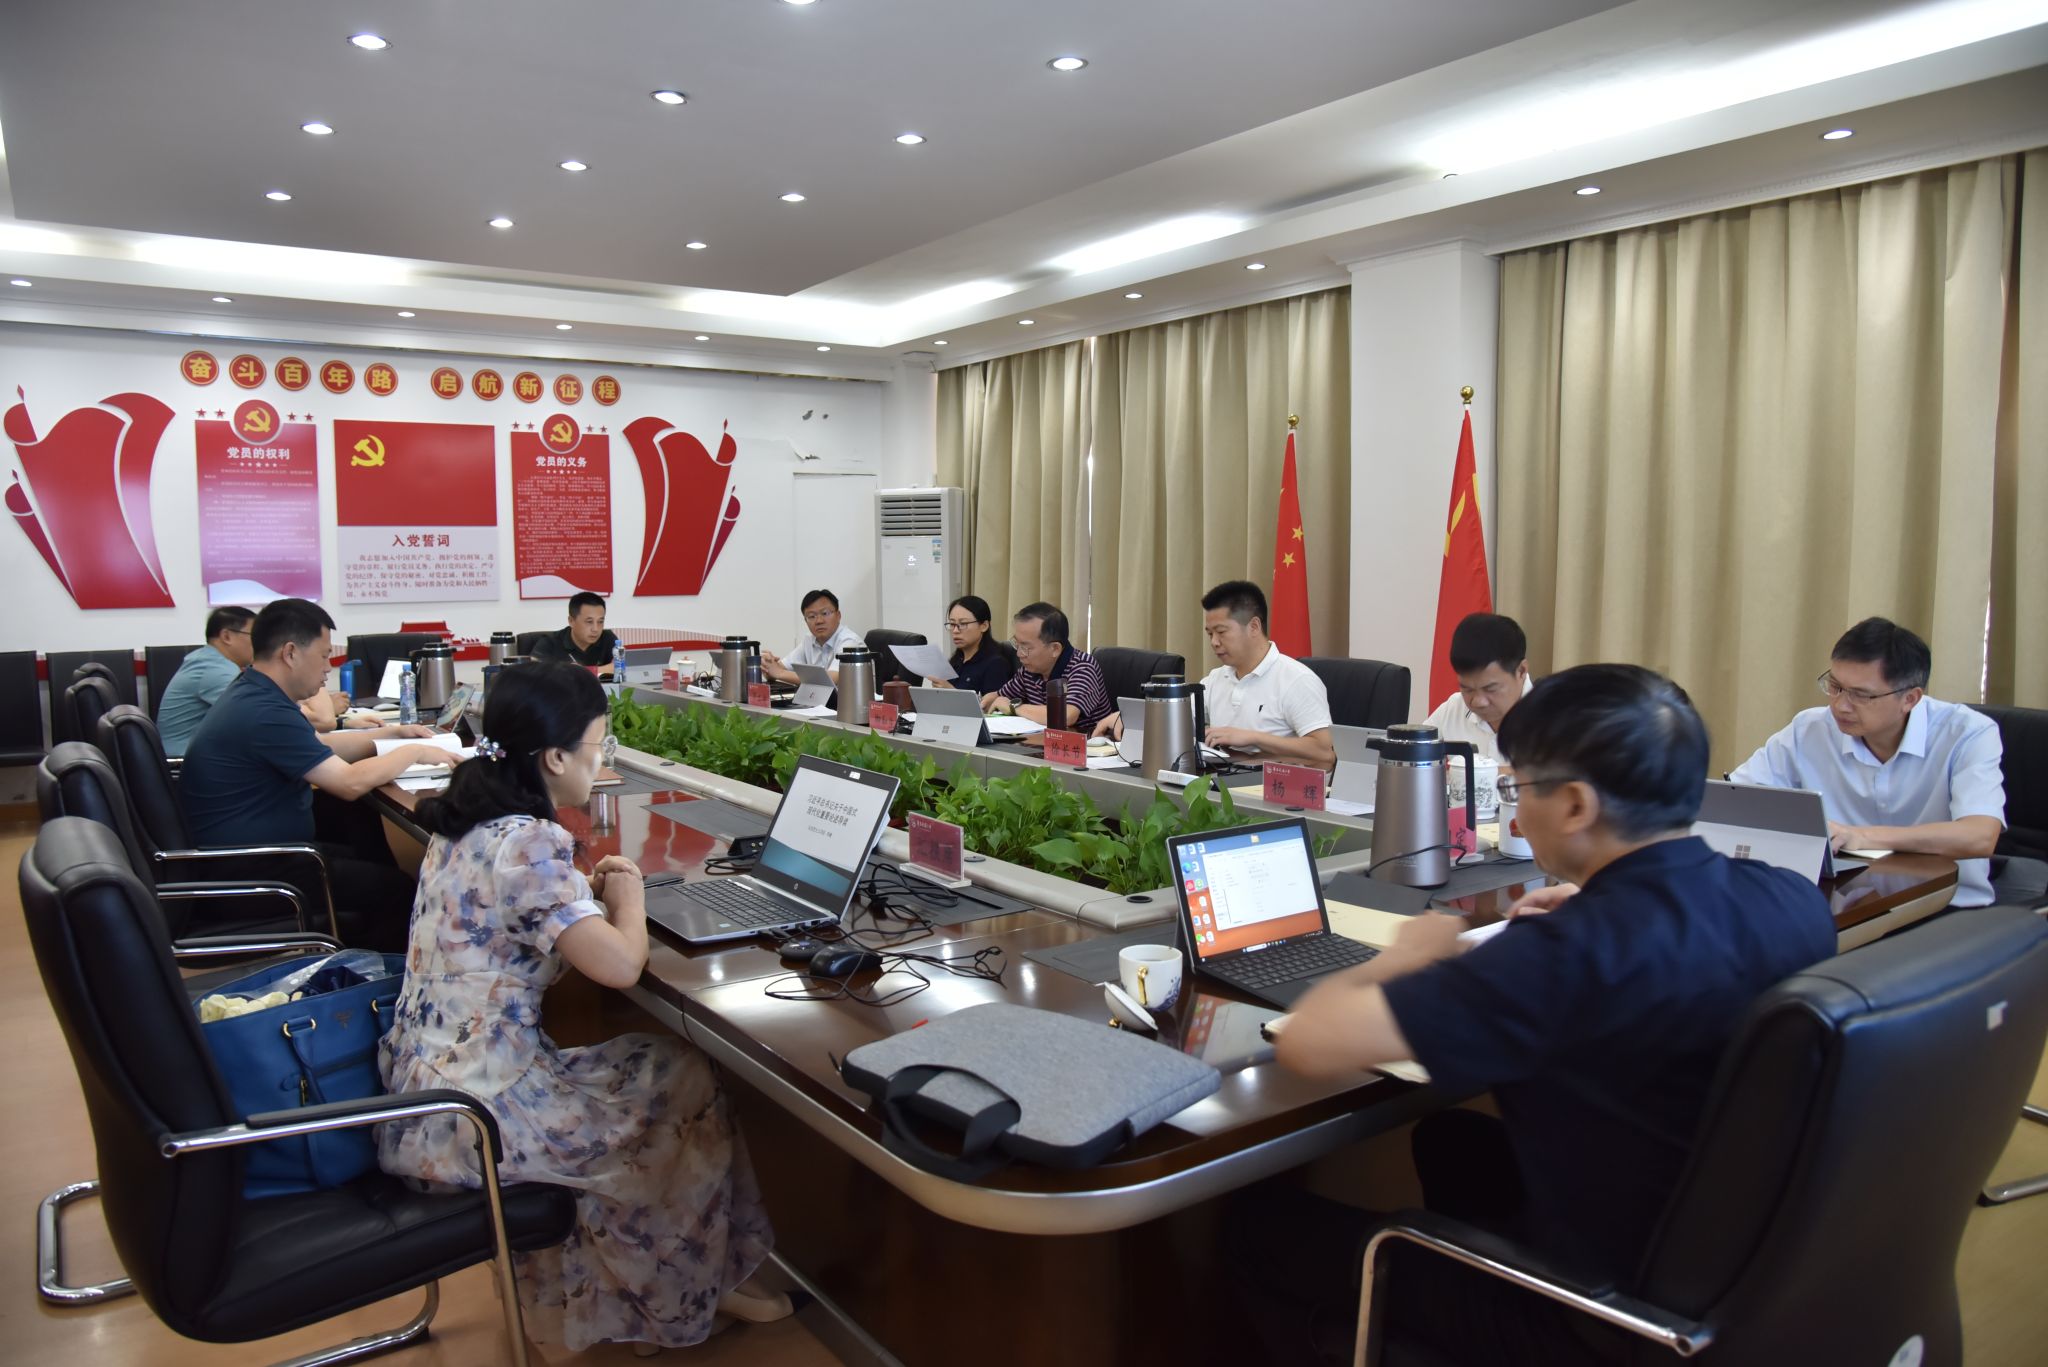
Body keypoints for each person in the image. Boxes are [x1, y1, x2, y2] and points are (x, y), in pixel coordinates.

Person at [1243, 665, 1836, 1365]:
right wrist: (1595, 899)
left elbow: (1311, 1042)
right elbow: (1675, 936)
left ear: (1577, 805)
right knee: (1452, 1141)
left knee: (1261, 1225)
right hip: (1736, 1274)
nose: (1517, 815)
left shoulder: (1561, 957)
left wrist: (1403, 957)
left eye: (1519, 788)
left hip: (1598, 1318)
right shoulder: (1790, 897)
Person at [377, 662, 789, 1354]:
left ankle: (651, 1289)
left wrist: (579, 897)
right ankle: (678, 1295)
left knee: (649, 1071)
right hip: (482, 1118)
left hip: (421, 1096)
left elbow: (517, 913)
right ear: (556, 757)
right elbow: (621, 966)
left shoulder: (463, 820)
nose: (602, 759)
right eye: (599, 743)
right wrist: (628, 894)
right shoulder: (529, 841)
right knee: (682, 1078)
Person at [179, 598, 457, 949]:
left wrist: (392, 734)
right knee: (398, 889)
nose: (328, 667)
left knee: (358, 831)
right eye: (324, 655)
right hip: (254, 871)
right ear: (291, 653)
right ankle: (372, 970)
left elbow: (318, 745)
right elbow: (349, 783)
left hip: (257, 855)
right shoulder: (264, 711)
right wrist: (413, 752)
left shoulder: (254, 692)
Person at [1730, 617, 2005, 907]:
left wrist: (1863, 837)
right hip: (1837, 903)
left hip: (1944, 906)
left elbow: (1980, 836)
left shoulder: (1967, 733)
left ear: (1910, 699)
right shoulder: (1809, 729)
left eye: (1860, 695)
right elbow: (1735, 799)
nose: (1840, 705)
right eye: (1835, 686)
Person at [1092, 580, 1333, 766]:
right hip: (1223, 784)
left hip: (1275, 795)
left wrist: (1253, 737)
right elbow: (1178, 716)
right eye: (1210, 634)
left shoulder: (1296, 680)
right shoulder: (1218, 678)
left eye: (1222, 632)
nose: (1215, 642)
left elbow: (1325, 753)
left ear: (1254, 626)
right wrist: (1130, 716)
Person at [1422, 611, 1533, 761]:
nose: (1478, 701)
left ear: (1521, 671)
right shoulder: (1453, 709)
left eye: (1490, 689)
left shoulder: (1554, 718)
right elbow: (1414, 757)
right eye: (1467, 689)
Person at [984, 601, 1113, 730]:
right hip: (1040, 739)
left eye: (1025, 647)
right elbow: (999, 696)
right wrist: (983, 704)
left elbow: (1066, 716)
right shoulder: (1029, 669)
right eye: (1017, 644)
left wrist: (1014, 707)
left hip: (1086, 741)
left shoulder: (1082, 667)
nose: (1019, 654)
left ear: (1055, 649)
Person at [155, 606, 254, 757]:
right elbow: (255, 714)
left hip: (193, 753)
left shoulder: (207, 659)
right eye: (254, 635)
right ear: (226, 636)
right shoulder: (214, 669)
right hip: (182, 759)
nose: (259, 643)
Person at [761, 588, 862, 686]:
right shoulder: (809, 639)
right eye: (812, 616)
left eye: (825, 613)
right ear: (806, 620)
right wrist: (768, 665)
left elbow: (832, 679)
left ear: (838, 615)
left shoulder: (850, 641)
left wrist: (779, 673)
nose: (819, 621)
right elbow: (779, 669)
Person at [929, 593, 1016, 695]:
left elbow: (993, 704)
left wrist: (951, 691)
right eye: (952, 624)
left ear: (984, 626)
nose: (955, 630)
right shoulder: (956, 660)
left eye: (963, 624)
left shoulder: (996, 664)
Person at [529, 591, 619, 668]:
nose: (595, 629)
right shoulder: (549, 643)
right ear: (571, 621)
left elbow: (621, 668)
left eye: (600, 622)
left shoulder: (608, 638)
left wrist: (581, 671)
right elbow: (534, 672)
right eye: (589, 622)